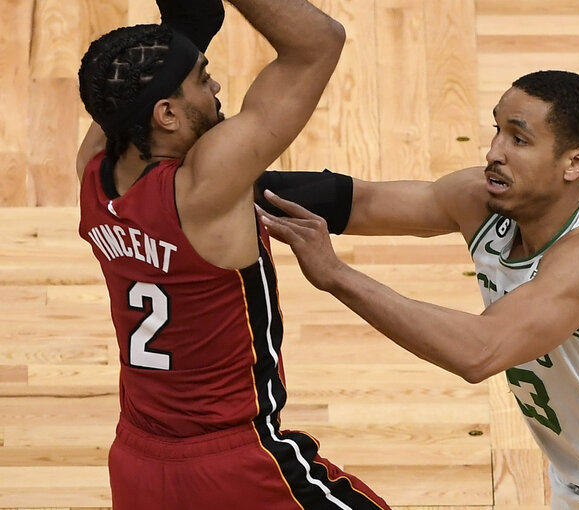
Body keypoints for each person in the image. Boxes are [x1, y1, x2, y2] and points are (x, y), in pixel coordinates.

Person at [257, 70, 579, 509]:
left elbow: (480, 351)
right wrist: (218, 180)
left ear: (574, 163)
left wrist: (336, 275)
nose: (494, 151)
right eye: (497, 129)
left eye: (519, 139)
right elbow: (359, 201)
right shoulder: (484, 199)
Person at [75, 0, 391, 508]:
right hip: (234, 464)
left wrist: (181, 32)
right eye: (204, 79)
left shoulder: (92, 174)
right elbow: (319, 43)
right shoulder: (205, 187)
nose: (217, 89)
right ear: (167, 113)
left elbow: (119, 97)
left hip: (136, 465)